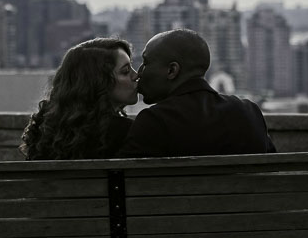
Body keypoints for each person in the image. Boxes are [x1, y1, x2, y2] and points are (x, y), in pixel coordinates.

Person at [116, 28, 277, 157]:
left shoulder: (155, 122)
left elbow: (121, 182)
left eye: (146, 62)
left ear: (172, 70)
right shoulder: (249, 112)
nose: (139, 72)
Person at [20, 37, 139, 160]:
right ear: (98, 82)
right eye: (125, 71)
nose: (136, 75)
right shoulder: (125, 132)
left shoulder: (44, 133)